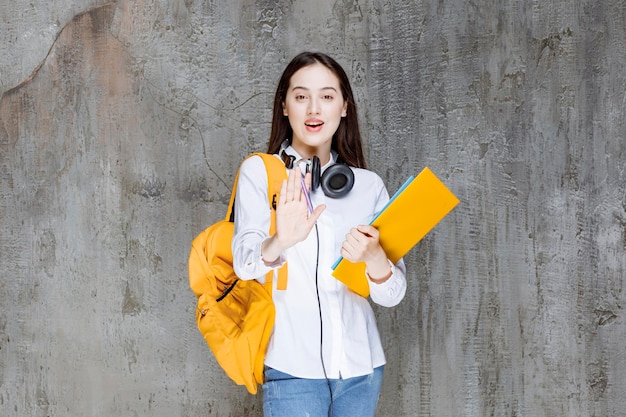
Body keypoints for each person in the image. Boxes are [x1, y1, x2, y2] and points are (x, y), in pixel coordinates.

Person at [232, 52, 407, 417]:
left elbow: (393, 296)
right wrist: (282, 239)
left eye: (327, 96)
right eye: (301, 96)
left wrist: (375, 258)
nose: (314, 108)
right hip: (292, 369)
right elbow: (244, 266)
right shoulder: (259, 173)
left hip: (362, 368)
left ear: (344, 107)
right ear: (284, 106)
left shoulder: (367, 186)